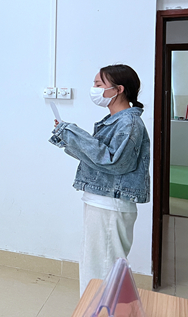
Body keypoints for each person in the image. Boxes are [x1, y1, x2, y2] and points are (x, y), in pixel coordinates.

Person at [49, 64, 150, 295]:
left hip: (110, 203)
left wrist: (74, 134)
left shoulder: (129, 123)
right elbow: (96, 159)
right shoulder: (115, 120)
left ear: (118, 89)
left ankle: (101, 309)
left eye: (98, 84)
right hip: (102, 200)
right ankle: (108, 307)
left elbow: (114, 162)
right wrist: (69, 138)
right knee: (99, 263)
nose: (93, 89)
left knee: (102, 268)